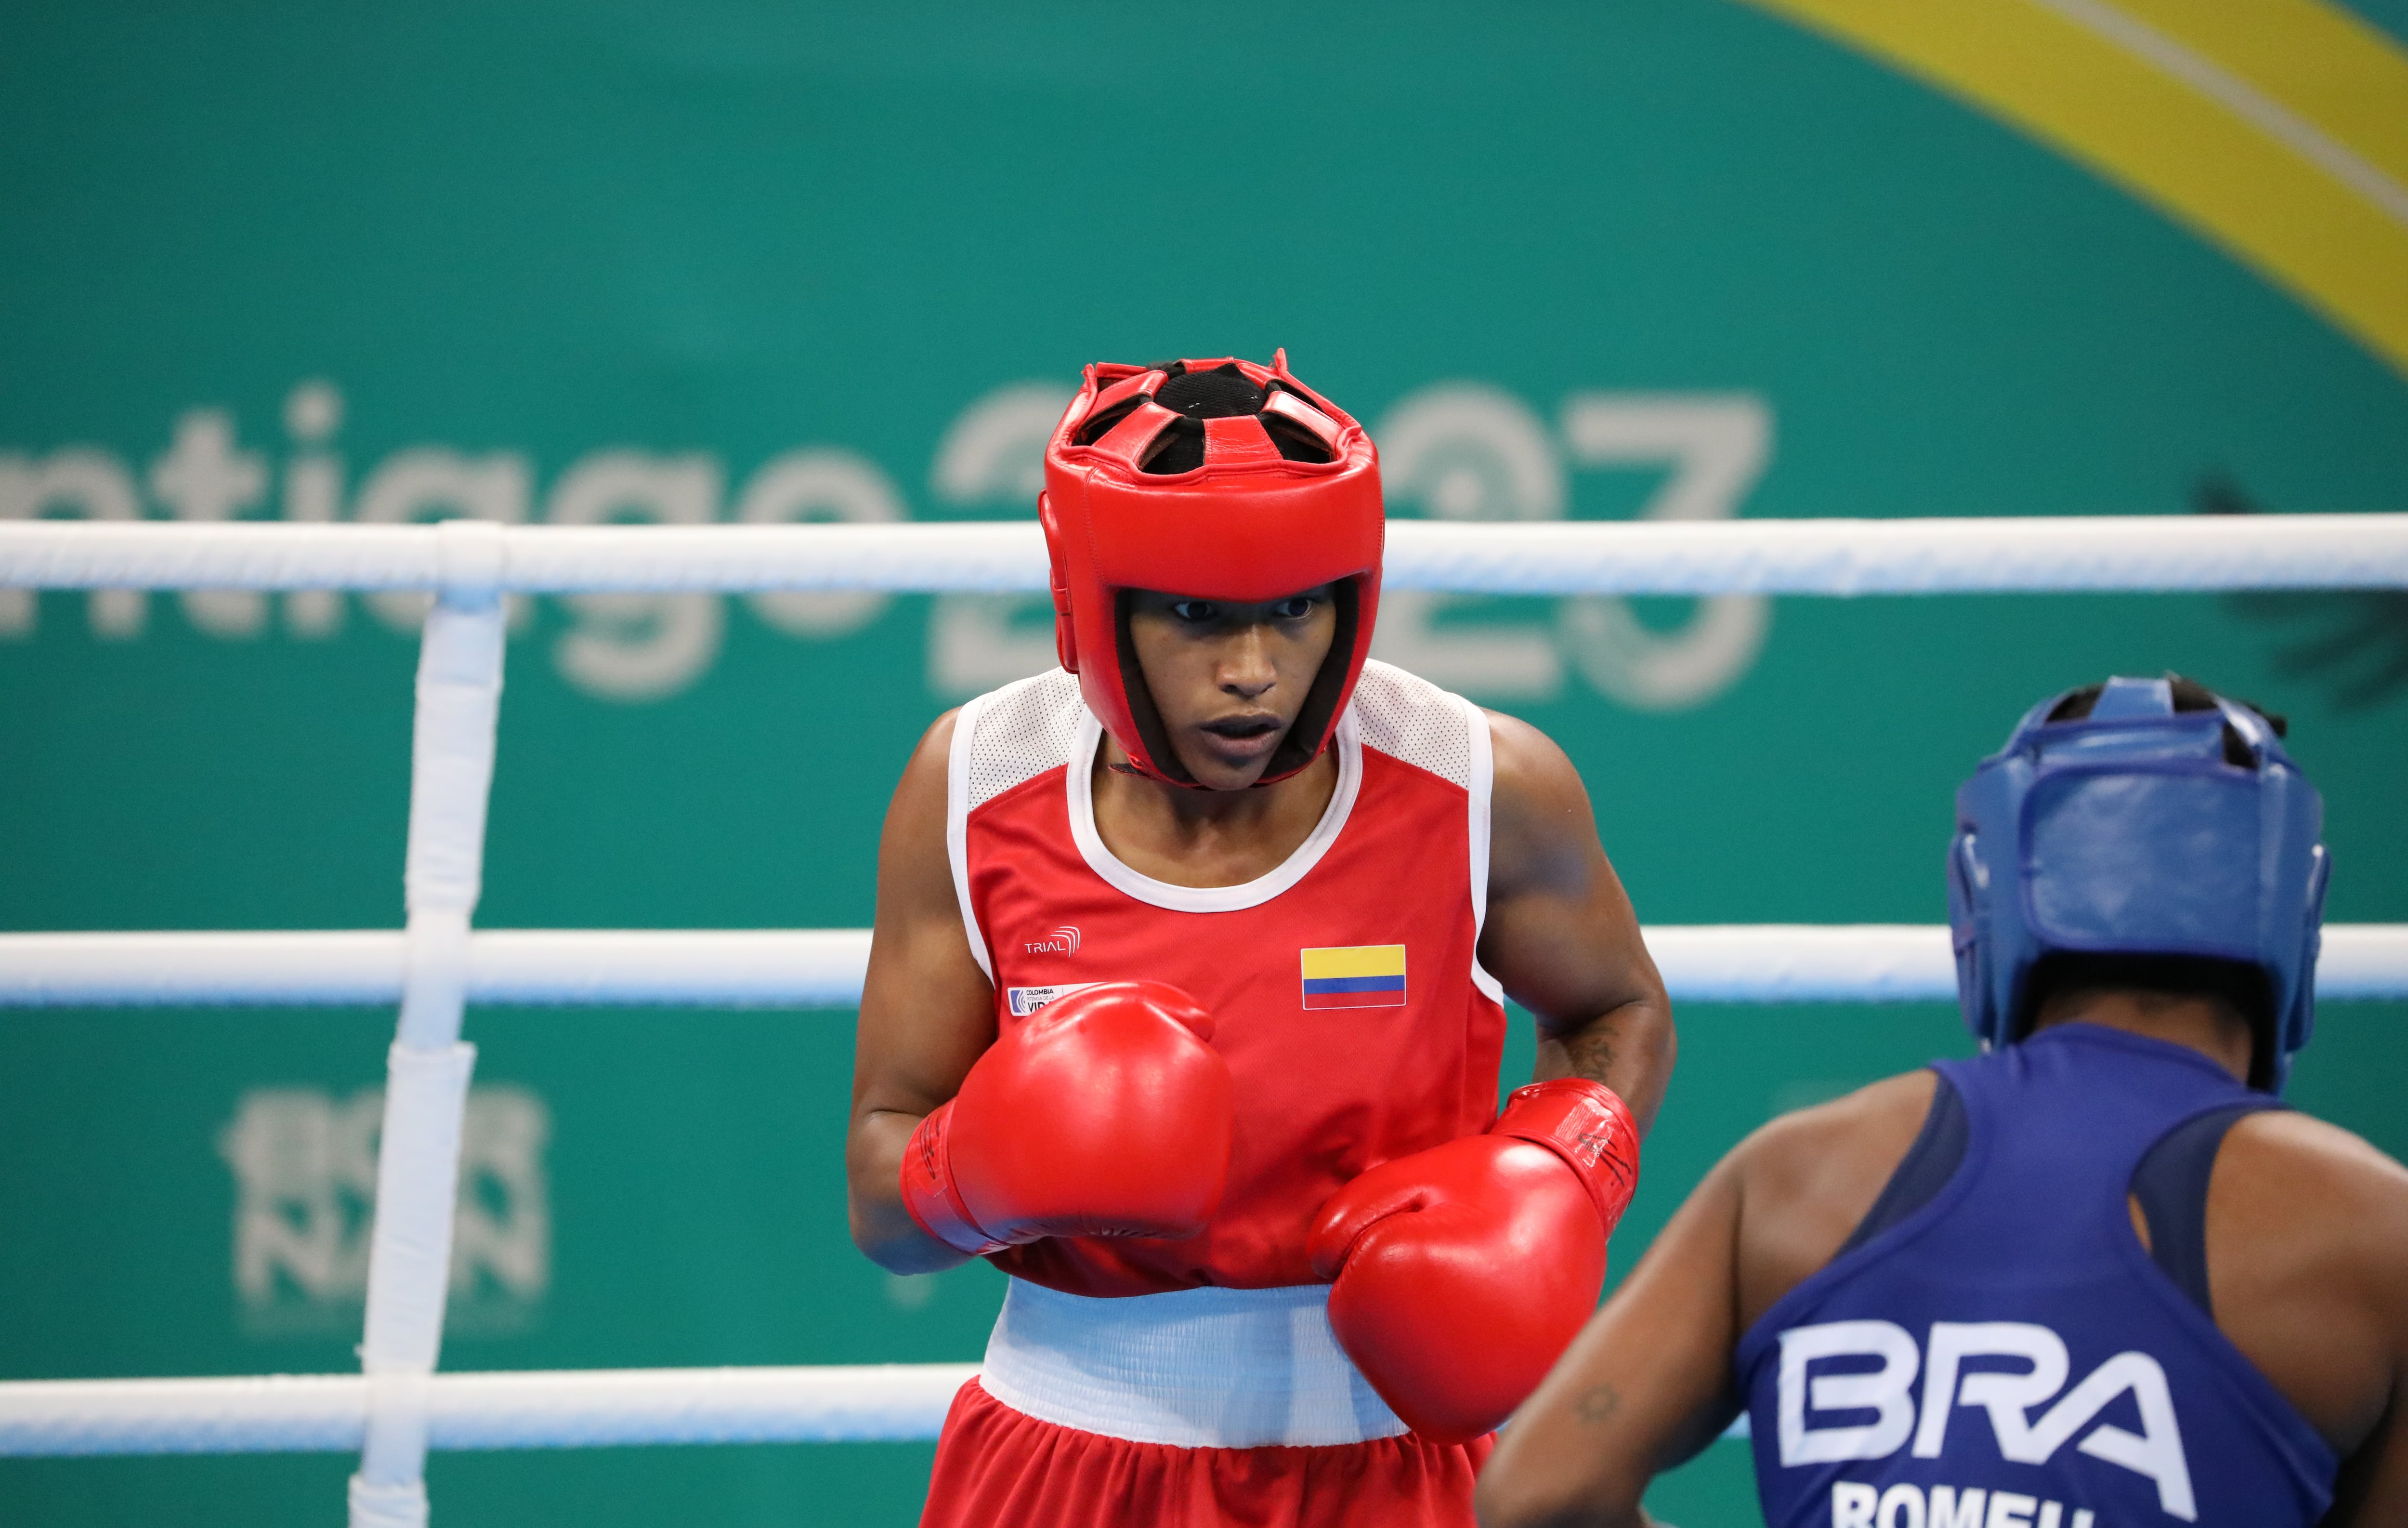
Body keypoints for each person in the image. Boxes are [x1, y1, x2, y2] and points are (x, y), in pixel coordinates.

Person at [845, 353, 1674, 1528]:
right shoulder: (975, 785)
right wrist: (977, 1167)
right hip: (1071, 1457)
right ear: (1093, 602)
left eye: (1294, 609)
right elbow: (881, 1200)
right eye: (1197, 615)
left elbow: (1616, 1009)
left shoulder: (1478, 780)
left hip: (1398, 1454)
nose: (1253, 671)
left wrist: (1557, 1175)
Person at [1479, 674, 2408, 1528]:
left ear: (1990, 898)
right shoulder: (2373, 1230)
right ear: (2293, 909)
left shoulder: (1802, 1171)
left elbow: (1537, 1499)